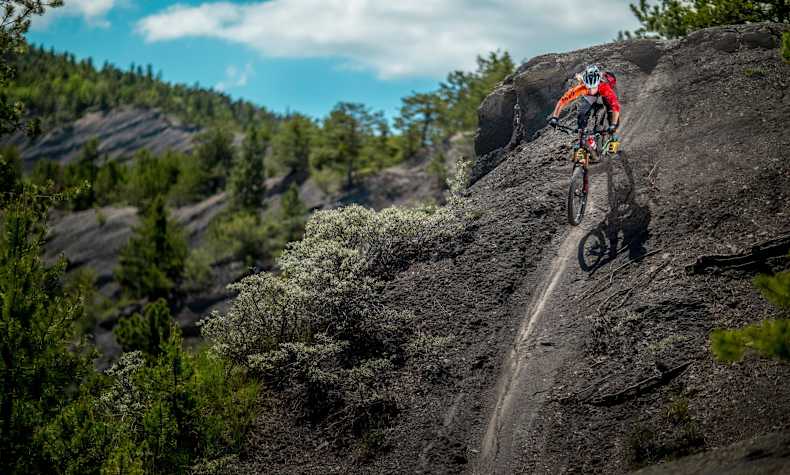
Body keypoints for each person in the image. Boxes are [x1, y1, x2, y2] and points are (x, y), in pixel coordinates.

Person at [548, 65, 620, 136]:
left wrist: (613, 124)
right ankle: (582, 132)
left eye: (593, 87)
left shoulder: (605, 87)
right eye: (589, 87)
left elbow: (615, 106)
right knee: (582, 113)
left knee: (610, 107)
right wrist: (555, 117)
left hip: (603, 90)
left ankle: (613, 137)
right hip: (589, 91)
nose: (591, 90)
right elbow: (563, 101)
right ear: (585, 84)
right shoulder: (582, 87)